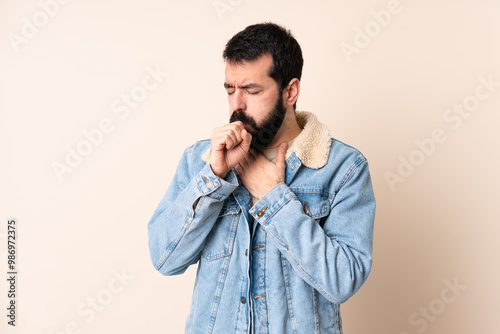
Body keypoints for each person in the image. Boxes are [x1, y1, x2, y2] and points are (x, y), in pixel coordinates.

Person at [147, 22, 376, 334]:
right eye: (230, 90)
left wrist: (275, 198)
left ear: (290, 91)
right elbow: (164, 259)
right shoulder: (200, 160)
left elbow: (342, 280)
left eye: (252, 91)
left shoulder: (343, 167)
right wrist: (213, 177)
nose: (237, 105)